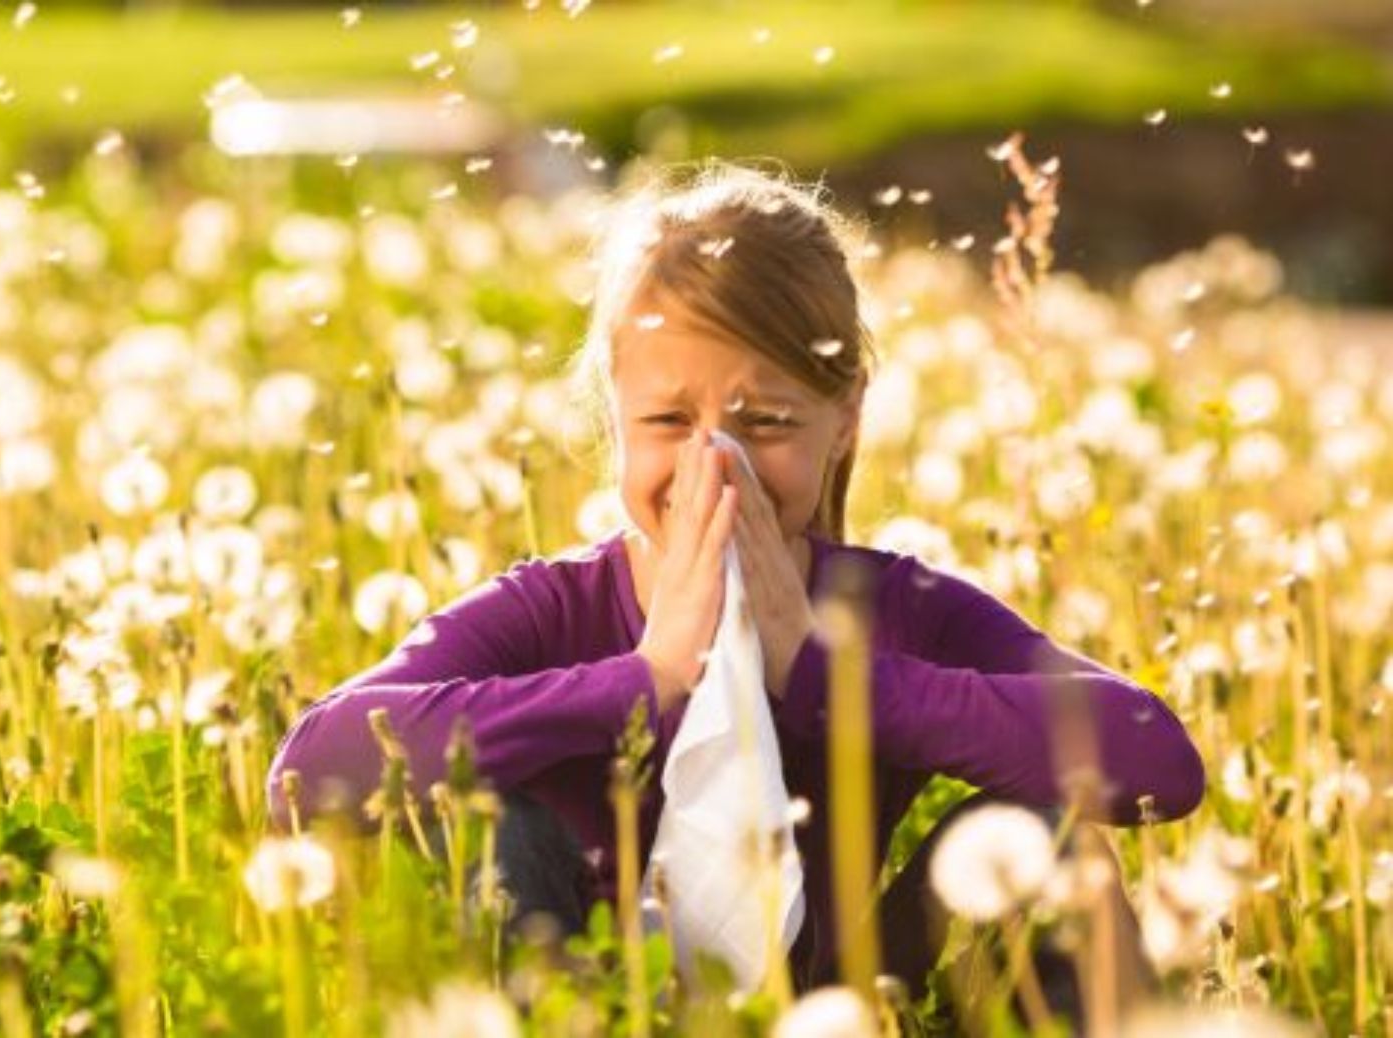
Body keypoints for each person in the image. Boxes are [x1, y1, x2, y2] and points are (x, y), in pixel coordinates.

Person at [266, 162, 1205, 1016]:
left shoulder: (894, 609)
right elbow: (309, 773)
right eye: (670, 419)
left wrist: (829, 677)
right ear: (615, 418)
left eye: (765, 422)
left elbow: (1157, 759)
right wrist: (647, 678)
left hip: (844, 1013)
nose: (715, 464)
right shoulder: (555, 609)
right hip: (582, 1006)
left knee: (1046, 840)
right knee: (486, 826)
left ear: (844, 423)